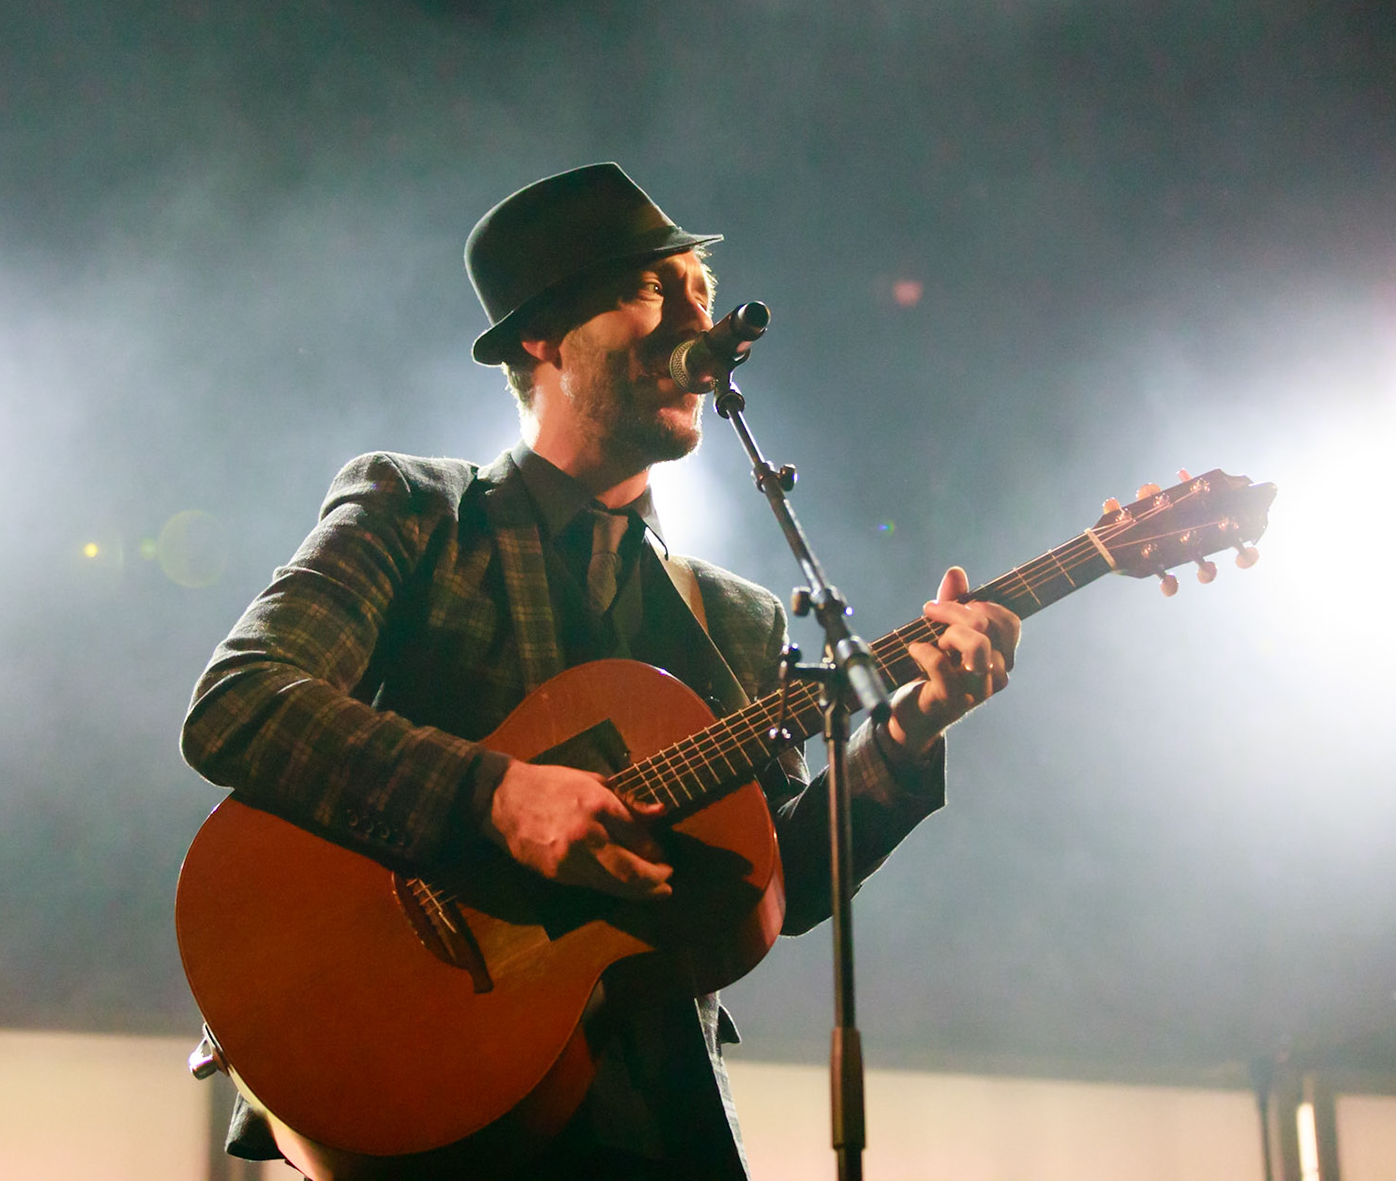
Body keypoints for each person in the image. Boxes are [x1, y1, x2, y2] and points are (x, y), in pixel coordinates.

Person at [181, 163, 1021, 1178]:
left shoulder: (739, 621)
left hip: (658, 1115)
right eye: (652, 290)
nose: (692, 322)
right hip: (427, 1088)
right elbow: (242, 702)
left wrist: (905, 733)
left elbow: (775, 882)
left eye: (701, 296)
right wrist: (497, 798)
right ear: (542, 334)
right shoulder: (419, 514)